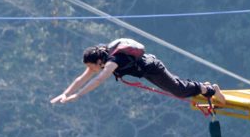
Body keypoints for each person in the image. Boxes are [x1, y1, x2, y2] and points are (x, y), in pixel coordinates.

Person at [50, 39, 226, 105]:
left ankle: (210, 89)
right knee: (176, 87)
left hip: (151, 67)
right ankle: (205, 88)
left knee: (178, 91)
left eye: (91, 66)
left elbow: (98, 80)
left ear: (98, 61)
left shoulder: (112, 62)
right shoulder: (103, 57)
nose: (90, 70)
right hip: (145, 70)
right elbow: (82, 78)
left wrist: (78, 96)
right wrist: (64, 94)